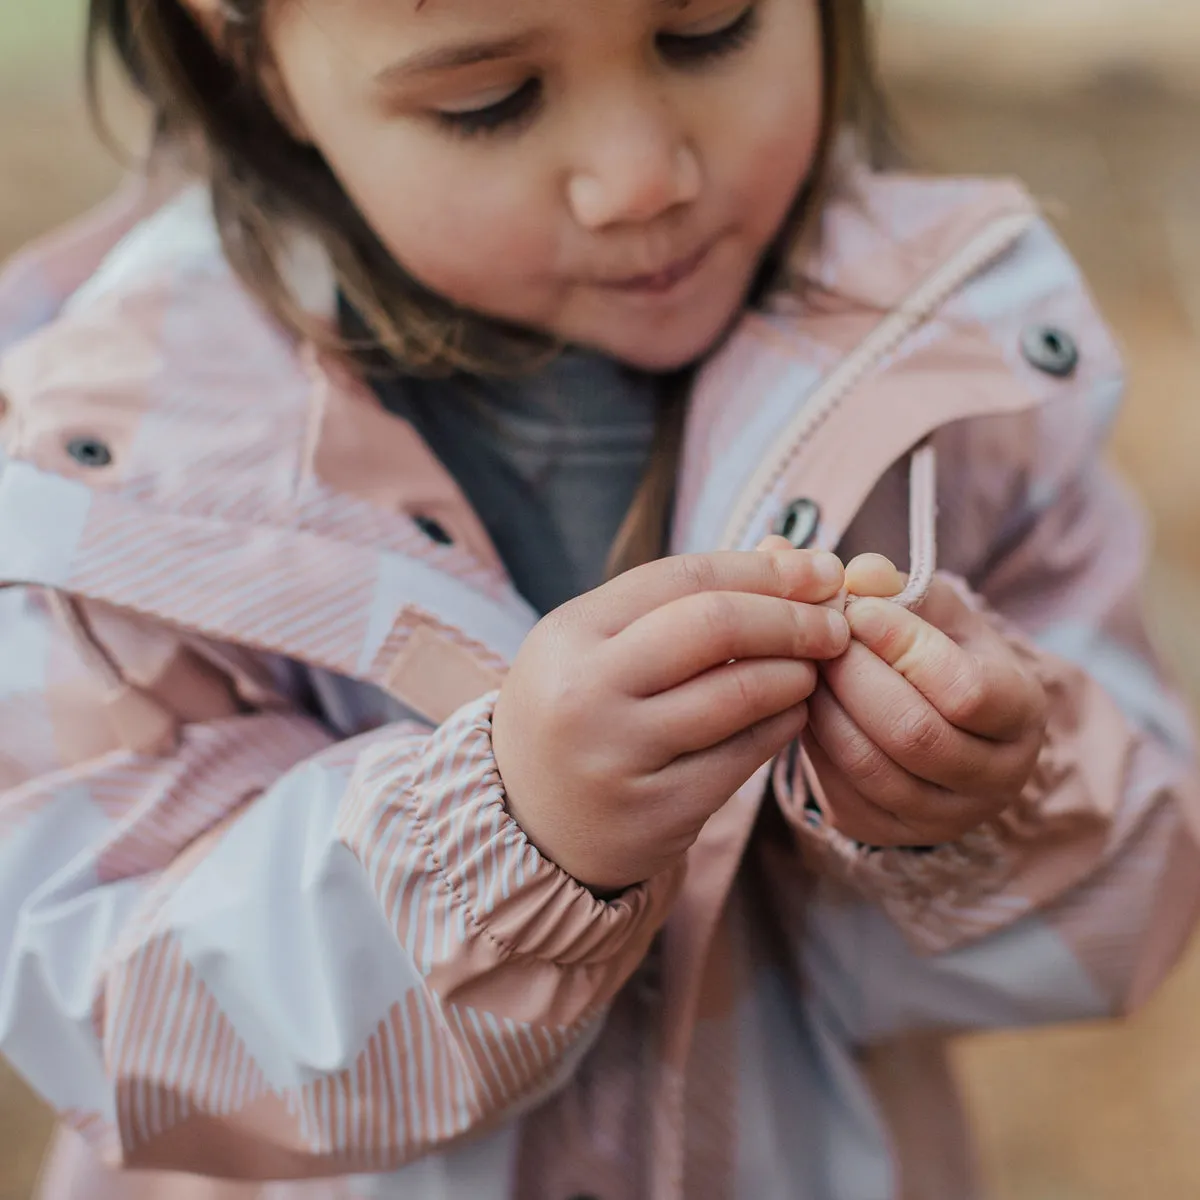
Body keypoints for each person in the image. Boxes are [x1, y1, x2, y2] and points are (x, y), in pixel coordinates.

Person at [0, 0, 1196, 1196]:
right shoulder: (121, 472)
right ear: (237, 45)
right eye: (489, 101)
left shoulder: (956, 364)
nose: (640, 178)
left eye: (709, 32)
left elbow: (1132, 911)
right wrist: (507, 839)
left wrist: (983, 804)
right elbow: (119, 1029)